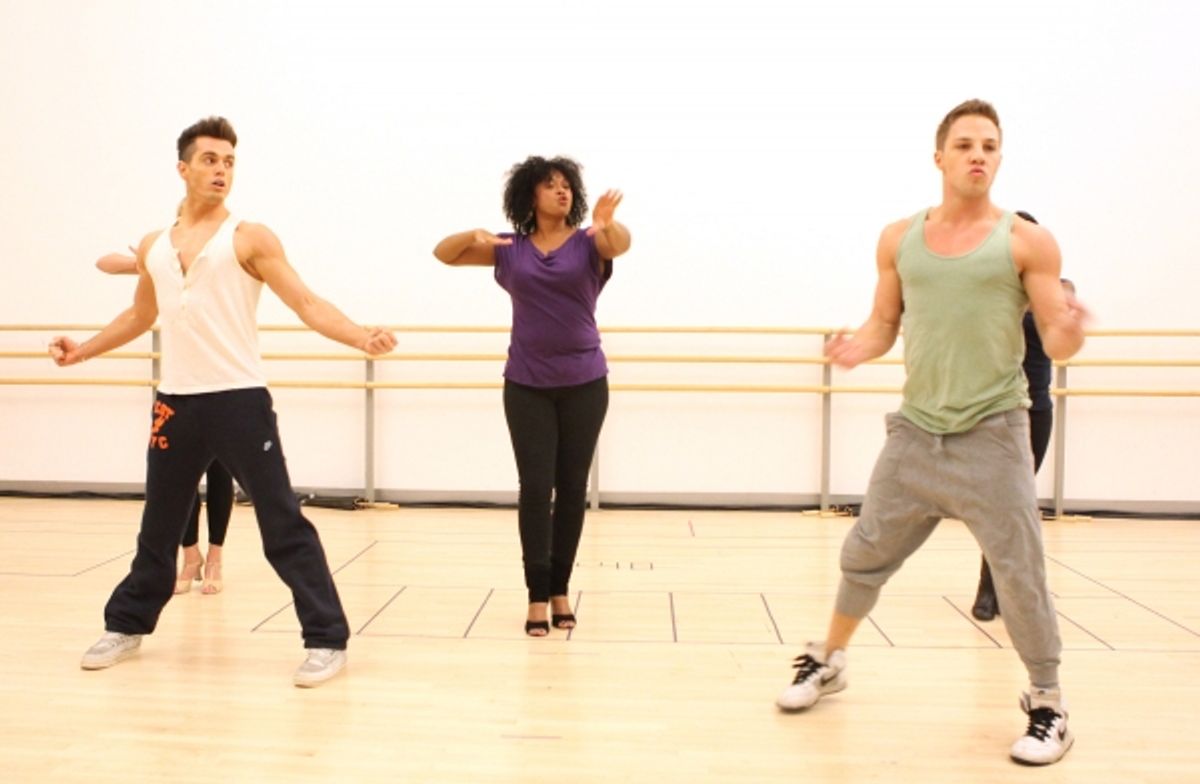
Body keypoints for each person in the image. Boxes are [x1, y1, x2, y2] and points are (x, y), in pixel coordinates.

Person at [775, 100, 1089, 766]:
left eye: (991, 146)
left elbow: (1057, 341)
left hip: (995, 434)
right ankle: (828, 659)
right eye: (966, 144)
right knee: (864, 552)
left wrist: (1072, 327)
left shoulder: (1027, 241)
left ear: (999, 159)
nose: (979, 154)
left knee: (1020, 576)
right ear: (940, 156)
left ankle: (1048, 703)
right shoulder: (899, 239)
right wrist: (862, 346)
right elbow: (886, 322)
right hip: (916, 433)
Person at [51, 116, 397, 686]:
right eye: (210, 159)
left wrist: (362, 336)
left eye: (230, 161)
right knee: (158, 527)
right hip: (176, 403)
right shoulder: (154, 246)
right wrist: (81, 350)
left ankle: (326, 638)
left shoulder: (249, 237)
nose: (221, 170)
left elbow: (307, 302)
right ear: (183, 168)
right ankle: (126, 625)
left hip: (238, 401)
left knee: (281, 521)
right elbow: (141, 315)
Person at [433, 156, 631, 636]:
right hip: (526, 385)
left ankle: (561, 589)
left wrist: (606, 223)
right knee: (536, 490)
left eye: (567, 186)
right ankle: (536, 595)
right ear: (530, 196)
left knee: (571, 490)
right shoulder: (510, 249)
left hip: (585, 382)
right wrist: (475, 234)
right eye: (550, 186)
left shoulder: (589, 243)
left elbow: (619, 245)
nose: (561, 192)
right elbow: (444, 253)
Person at [94, 246, 235, 595]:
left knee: (219, 475)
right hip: (180, 387)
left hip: (224, 384)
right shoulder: (165, 268)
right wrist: (144, 258)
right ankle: (190, 556)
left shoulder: (219, 267)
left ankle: (215, 557)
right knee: (179, 479)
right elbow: (105, 263)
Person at [971, 211, 1075, 620]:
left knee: (1020, 502)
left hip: (1037, 409)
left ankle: (1009, 588)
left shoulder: (1052, 289)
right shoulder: (989, 293)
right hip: (997, 408)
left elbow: (1060, 328)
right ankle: (990, 587)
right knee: (999, 502)